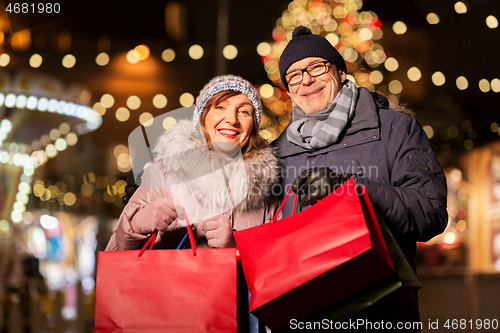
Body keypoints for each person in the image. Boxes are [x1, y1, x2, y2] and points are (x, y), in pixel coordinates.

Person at [272, 26, 448, 330]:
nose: (306, 80)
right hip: (305, 315)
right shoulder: (278, 151)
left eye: (316, 66)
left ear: (340, 72)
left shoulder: (394, 129)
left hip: (379, 312)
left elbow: (430, 212)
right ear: (288, 88)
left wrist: (351, 190)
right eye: (294, 75)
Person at [105, 75, 279, 333]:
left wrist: (236, 246)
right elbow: (115, 262)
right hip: (167, 319)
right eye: (220, 106)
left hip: (239, 322)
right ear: (202, 116)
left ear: (252, 126)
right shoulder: (163, 173)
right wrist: (140, 223)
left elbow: (278, 273)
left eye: (243, 111)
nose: (231, 119)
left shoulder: (266, 188)